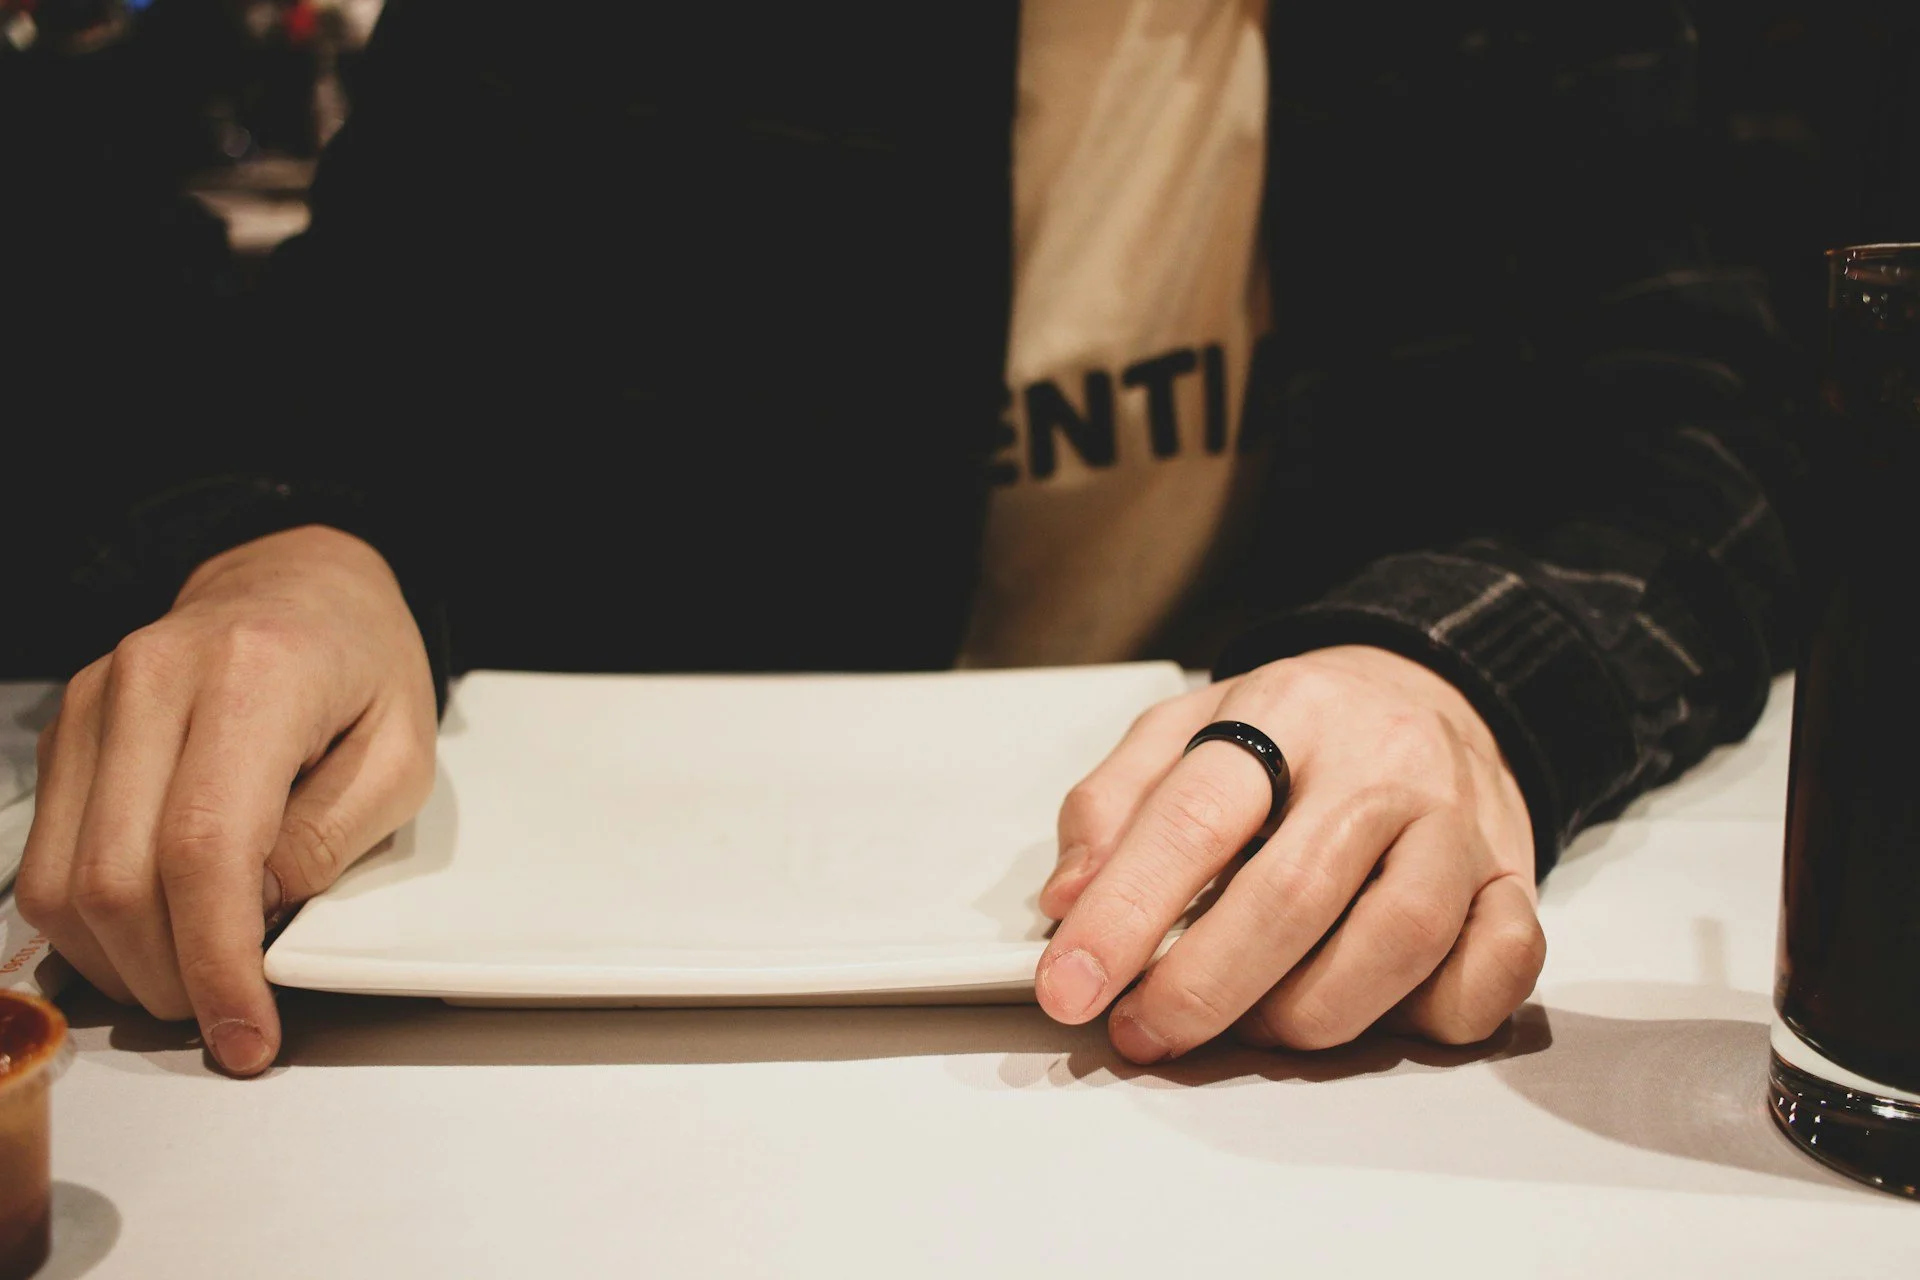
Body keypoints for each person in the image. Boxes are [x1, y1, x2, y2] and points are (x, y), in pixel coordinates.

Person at [10, 0, 1803, 1076]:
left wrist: (1453, 678)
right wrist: (293, 551)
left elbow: (1712, 429)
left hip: (1247, 1044)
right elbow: (350, 362)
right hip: (572, 1005)